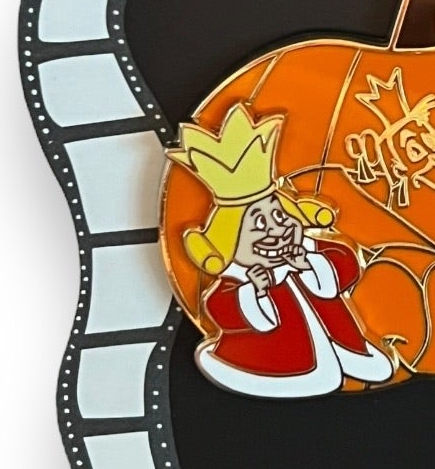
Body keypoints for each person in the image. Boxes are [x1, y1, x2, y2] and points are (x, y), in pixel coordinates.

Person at [169, 103, 395, 398]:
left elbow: (346, 265)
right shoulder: (236, 281)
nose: (277, 229)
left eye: (279, 214)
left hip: (340, 339)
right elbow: (221, 310)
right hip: (275, 361)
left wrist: (310, 262)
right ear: (231, 240)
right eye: (259, 223)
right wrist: (255, 291)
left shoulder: (311, 249)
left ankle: (347, 358)